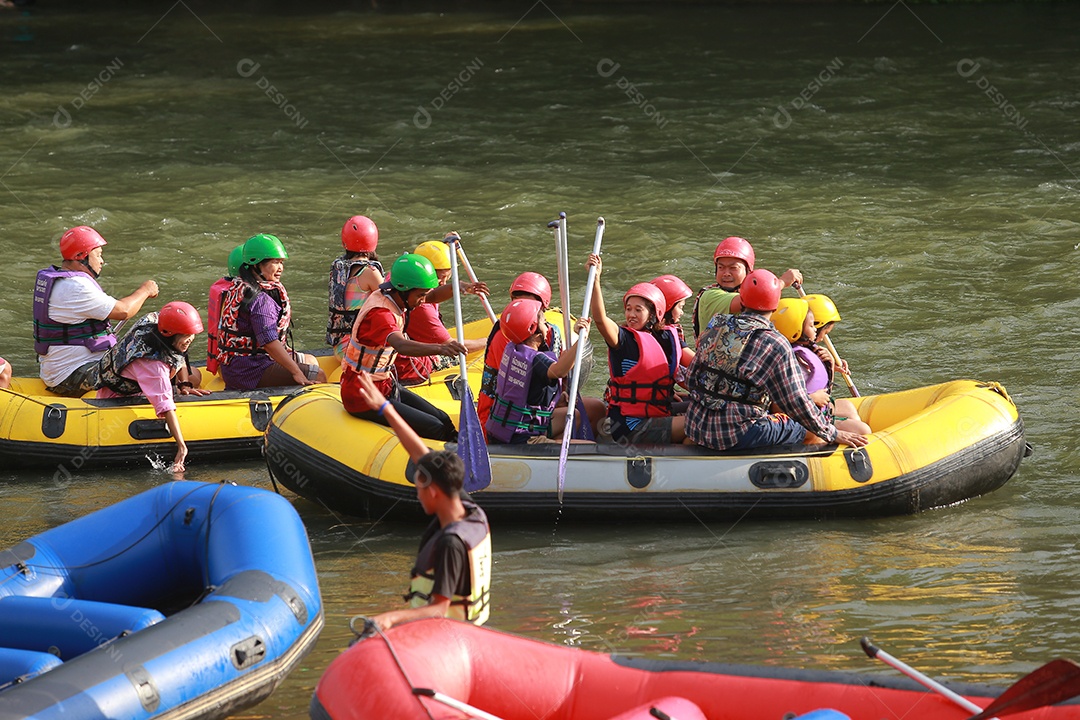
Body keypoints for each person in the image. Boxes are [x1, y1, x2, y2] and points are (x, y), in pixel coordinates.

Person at [352, 371, 491, 631]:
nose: (418, 494)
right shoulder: (471, 511)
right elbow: (422, 456)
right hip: (468, 631)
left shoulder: (451, 543)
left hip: (450, 638)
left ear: (434, 491)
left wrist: (390, 618)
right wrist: (385, 408)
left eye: (420, 488)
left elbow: (440, 609)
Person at [685, 270, 869, 452]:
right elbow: (797, 403)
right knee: (810, 430)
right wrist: (833, 433)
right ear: (774, 305)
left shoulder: (717, 322)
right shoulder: (775, 343)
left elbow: (692, 378)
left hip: (696, 424)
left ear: (742, 300)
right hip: (737, 433)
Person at [339, 253, 466, 441]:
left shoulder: (396, 295)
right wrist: (440, 348)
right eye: (420, 295)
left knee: (443, 419)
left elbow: (433, 295)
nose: (423, 300)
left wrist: (460, 288)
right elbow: (401, 345)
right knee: (435, 428)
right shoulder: (381, 314)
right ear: (404, 290)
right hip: (362, 394)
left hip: (384, 385)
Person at [34, 225, 159, 396]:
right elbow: (124, 311)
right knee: (152, 326)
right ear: (80, 256)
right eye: (98, 255)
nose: (102, 261)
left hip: (59, 372)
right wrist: (146, 290)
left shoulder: (62, 281)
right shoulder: (75, 287)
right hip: (72, 376)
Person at [96, 302, 212, 472]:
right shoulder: (153, 366)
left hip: (135, 380)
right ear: (170, 334)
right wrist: (181, 446)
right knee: (167, 390)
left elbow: (177, 356)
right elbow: (166, 406)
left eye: (192, 334)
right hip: (117, 400)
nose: (191, 339)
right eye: (186, 335)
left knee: (195, 375)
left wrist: (184, 384)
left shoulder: (156, 324)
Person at [586, 253, 685, 444]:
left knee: (698, 409)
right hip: (631, 426)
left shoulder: (664, 337)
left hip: (655, 414)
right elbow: (600, 319)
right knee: (698, 423)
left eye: (638, 310)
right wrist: (596, 280)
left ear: (654, 314)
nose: (631, 314)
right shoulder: (622, 339)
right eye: (628, 308)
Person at [217, 233, 327, 390]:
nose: (280, 268)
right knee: (318, 375)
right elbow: (269, 342)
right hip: (251, 370)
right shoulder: (261, 300)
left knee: (310, 361)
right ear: (257, 264)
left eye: (281, 262)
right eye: (275, 262)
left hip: (235, 366)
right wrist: (296, 372)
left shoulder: (238, 287)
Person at [485, 298, 593, 444]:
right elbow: (560, 371)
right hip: (522, 438)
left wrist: (558, 399)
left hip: (505, 430)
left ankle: (553, 448)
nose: (547, 326)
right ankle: (552, 450)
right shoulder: (536, 360)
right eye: (544, 322)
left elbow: (532, 390)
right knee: (590, 447)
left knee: (575, 415)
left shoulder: (514, 349)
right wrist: (582, 339)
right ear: (533, 329)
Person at [477, 271, 565, 438]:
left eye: (529, 302)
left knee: (589, 410)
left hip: (536, 411)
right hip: (507, 419)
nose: (523, 306)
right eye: (519, 300)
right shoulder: (508, 334)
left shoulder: (553, 333)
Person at [394, 238, 487, 387]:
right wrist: (489, 341)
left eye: (448, 279)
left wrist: (456, 285)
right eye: (439, 279)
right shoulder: (421, 308)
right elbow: (452, 346)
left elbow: (434, 295)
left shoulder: (404, 278)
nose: (442, 284)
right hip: (410, 368)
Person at [772, 298, 871, 436]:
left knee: (848, 407)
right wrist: (812, 398)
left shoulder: (802, 352)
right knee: (863, 430)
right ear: (798, 329)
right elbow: (778, 406)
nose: (816, 331)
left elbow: (821, 387)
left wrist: (829, 365)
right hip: (799, 417)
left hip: (812, 409)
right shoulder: (789, 361)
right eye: (812, 326)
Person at [691, 236, 802, 341]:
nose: (726, 273)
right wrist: (782, 282)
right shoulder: (710, 296)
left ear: (748, 271)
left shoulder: (746, 295)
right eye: (721, 267)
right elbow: (755, 298)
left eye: (733, 268)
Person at [326, 215, 384, 357]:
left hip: (339, 344)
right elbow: (391, 302)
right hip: (355, 348)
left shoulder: (339, 267)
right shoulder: (370, 272)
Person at [205, 244, 243, 376]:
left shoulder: (227, 293)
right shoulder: (241, 297)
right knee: (310, 361)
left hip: (224, 365)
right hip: (239, 368)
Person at [651, 273, 696, 369]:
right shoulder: (667, 335)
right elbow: (696, 365)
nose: (682, 312)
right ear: (668, 307)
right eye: (680, 307)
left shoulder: (645, 329)